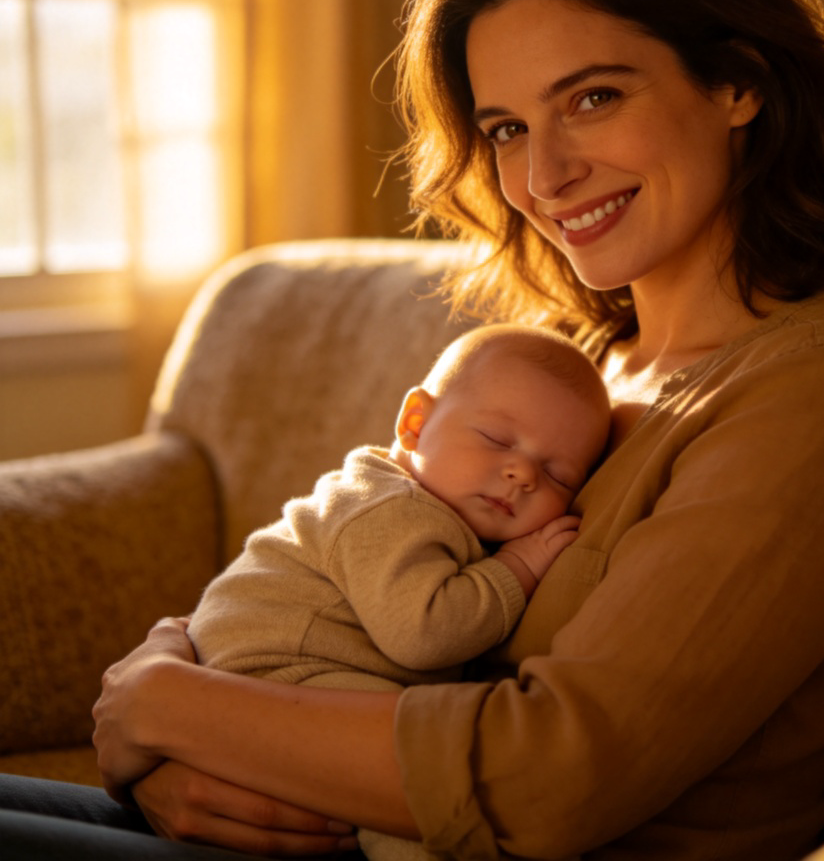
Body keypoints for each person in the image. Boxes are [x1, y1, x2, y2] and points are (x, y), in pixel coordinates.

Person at [0, 0, 824, 861]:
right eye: (506, 128)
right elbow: (341, 573)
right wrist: (171, 747)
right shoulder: (578, 372)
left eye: (593, 96)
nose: (543, 175)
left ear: (738, 81)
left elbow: (554, 772)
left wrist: (165, 706)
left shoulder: (821, 396)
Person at [187, 323, 611, 859]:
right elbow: (422, 633)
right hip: (266, 667)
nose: (522, 473)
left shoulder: (436, 509)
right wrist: (518, 569)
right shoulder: (388, 505)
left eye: (558, 475)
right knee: (409, 762)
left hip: (280, 674)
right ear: (416, 422)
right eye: (498, 440)